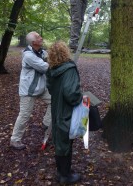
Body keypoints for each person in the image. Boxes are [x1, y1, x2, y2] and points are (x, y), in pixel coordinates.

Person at [46, 41, 83, 185]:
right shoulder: (69, 69)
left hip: (56, 108)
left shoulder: (51, 69)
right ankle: (64, 176)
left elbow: (50, 88)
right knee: (65, 140)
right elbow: (71, 94)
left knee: (60, 138)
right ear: (66, 52)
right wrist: (80, 96)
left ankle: (62, 172)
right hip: (67, 109)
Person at [10, 31, 51, 150]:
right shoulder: (28, 55)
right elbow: (45, 67)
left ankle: (46, 123)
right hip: (28, 90)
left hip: (41, 88)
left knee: (55, 100)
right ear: (33, 42)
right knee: (24, 115)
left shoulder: (42, 52)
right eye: (38, 37)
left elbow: (50, 59)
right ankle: (15, 140)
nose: (41, 38)